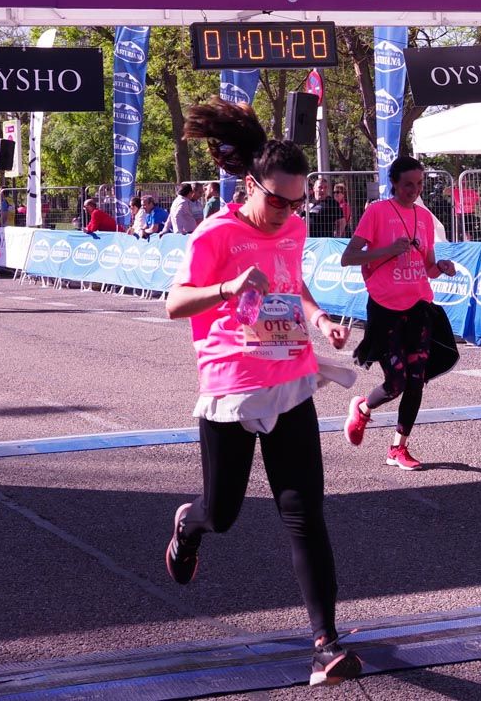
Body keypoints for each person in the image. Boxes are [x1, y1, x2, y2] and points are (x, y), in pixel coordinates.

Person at [164, 98, 362, 686]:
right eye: (277, 200)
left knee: (305, 516)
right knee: (221, 514)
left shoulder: (295, 227)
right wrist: (227, 285)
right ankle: (187, 527)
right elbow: (174, 303)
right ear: (251, 184)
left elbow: (290, 281)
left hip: (290, 380)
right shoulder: (215, 232)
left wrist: (319, 316)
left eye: (297, 201)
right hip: (231, 386)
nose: (287, 212)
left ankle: (326, 643)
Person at [340, 156, 461, 471]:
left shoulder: (424, 217)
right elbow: (348, 257)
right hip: (384, 309)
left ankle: (399, 447)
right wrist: (387, 250)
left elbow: (429, 267)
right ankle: (364, 408)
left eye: (419, 184)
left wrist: (442, 268)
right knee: (396, 382)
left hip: (419, 306)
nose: (414, 190)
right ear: (393, 182)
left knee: (416, 381)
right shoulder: (377, 211)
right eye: (408, 184)